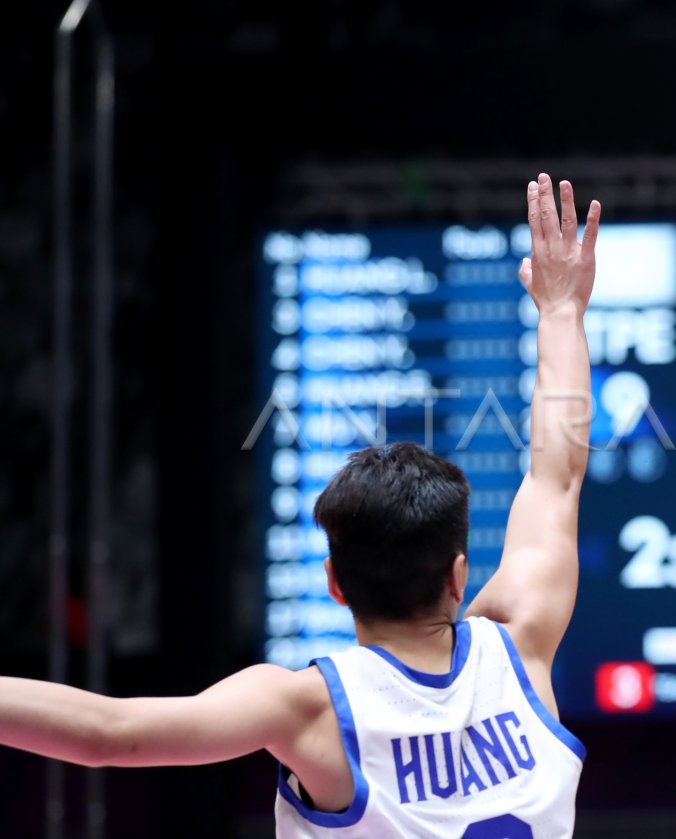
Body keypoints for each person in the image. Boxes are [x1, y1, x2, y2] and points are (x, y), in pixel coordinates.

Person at [0, 173, 601, 838]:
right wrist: (561, 313)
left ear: (334, 584)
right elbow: (558, 471)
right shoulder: (522, 645)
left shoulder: (311, 707)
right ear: (459, 575)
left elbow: (105, 732)